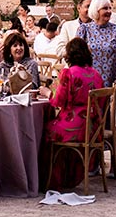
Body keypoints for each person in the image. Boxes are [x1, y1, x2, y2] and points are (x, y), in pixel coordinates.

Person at [45, 37, 105, 189]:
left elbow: (58, 101)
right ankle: (70, 176)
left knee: (45, 130)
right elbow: (102, 102)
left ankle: (52, 179)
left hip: (74, 125)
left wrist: (47, 93)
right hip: (93, 128)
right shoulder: (96, 74)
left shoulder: (69, 73)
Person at [78, 0, 116, 87]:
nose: (109, 11)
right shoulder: (84, 30)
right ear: (96, 10)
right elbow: (77, 57)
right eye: (105, 8)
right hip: (89, 83)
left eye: (110, 8)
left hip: (113, 83)